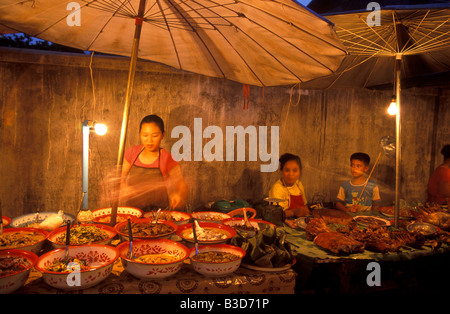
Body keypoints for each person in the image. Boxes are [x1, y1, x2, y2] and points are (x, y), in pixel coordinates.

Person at [119, 114, 188, 212]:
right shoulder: (131, 153)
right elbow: (121, 180)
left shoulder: (167, 158)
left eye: (155, 135)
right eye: (145, 135)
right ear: (140, 134)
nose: (149, 140)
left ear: (163, 135)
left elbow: (181, 185)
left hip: (158, 214)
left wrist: (179, 196)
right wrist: (124, 187)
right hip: (134, 212)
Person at [268, 153, 310, 218]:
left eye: (295, 170)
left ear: (300, 171)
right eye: (287, 170)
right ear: (282, 171)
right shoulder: (277, 188)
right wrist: (294, 212)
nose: (291, 174)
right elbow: (276, 215)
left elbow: (305, 205)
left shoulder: (298, 184)